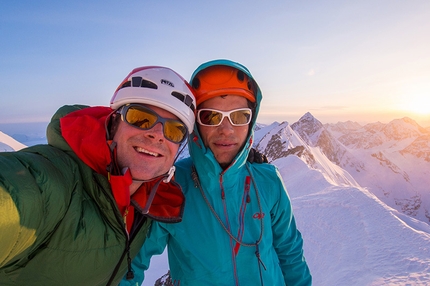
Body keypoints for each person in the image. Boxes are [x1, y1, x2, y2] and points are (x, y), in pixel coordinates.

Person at [0, 66, 196, 285]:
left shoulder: (148, 204)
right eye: (141, 117)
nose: (157, 134)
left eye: (174, 130)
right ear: (113, 123)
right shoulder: (49, 182)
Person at [121, 60, 312, 285]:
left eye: (239, 116)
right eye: (210, 116)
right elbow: (131, 267)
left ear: (251, 122)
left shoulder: (269, 181)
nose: (226, 129)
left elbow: (290, 255)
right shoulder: (170, 186)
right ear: (196, 125)